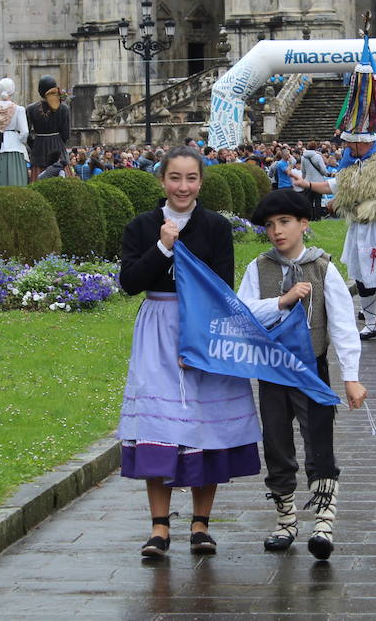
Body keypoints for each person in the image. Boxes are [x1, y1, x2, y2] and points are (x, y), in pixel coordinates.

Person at [117, 146, 260, 560]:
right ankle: (159, 527)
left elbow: (222, 288)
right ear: (162, 180)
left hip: (202, 328)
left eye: (191, 178)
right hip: (157, 330)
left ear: (201, 182)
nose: (183, 186)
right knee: (159, 429)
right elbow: (129, 282)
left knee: (204, 424)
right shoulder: (142, 226)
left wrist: (200, 342)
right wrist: (162, 247)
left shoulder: (214, 226)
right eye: (175, 178)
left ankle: (201, 523)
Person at [238, 189, 365, 560]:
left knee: (319, 440)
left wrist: (352, 376)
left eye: (285, 222)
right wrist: (283, 300)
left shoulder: (322, 267)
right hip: (272, 372)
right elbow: (243, 315)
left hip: (312, 369)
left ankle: (324, 521)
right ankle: (286, 519)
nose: (277, 231)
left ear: (303, 225)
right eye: (270, 225)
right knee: (276, 443)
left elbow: (342, 324)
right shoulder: (258, 267)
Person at [292, 66, 376, 344]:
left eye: (349, 143)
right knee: (362, 277)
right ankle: (371, 324)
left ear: (361, 142)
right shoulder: (352, 164)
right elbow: (333, 187)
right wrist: (306, 185)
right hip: (359, 227)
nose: (345, 148)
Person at [26, 76, 70, 181]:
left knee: (37, 182)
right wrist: (58, 141)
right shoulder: (64, 108)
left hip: (38, 151)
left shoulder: (31, 109)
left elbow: (26, 133)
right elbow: (66, 134)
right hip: (58, 150)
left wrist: (34, 144)